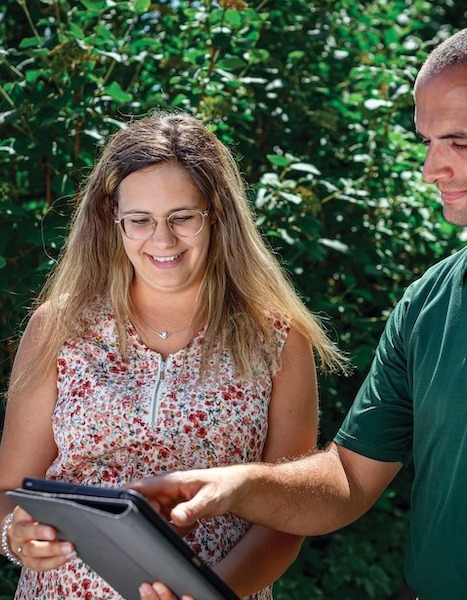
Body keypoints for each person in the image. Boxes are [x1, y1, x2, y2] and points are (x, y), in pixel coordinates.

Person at [129, 17, 467, 600]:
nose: (432, 169)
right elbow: (350, 478)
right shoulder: (430, 301)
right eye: (428, 141)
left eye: (461, 142)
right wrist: (236, 485)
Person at [0, 112, 348, 599]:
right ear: (112, 219)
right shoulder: (58, 328)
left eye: (182, 217)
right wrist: (15, 536)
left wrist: (208, 593)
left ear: (217, 214)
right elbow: (11, 491)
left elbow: (286, 516)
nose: (162, 241)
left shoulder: (279, 339)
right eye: (139, 221)